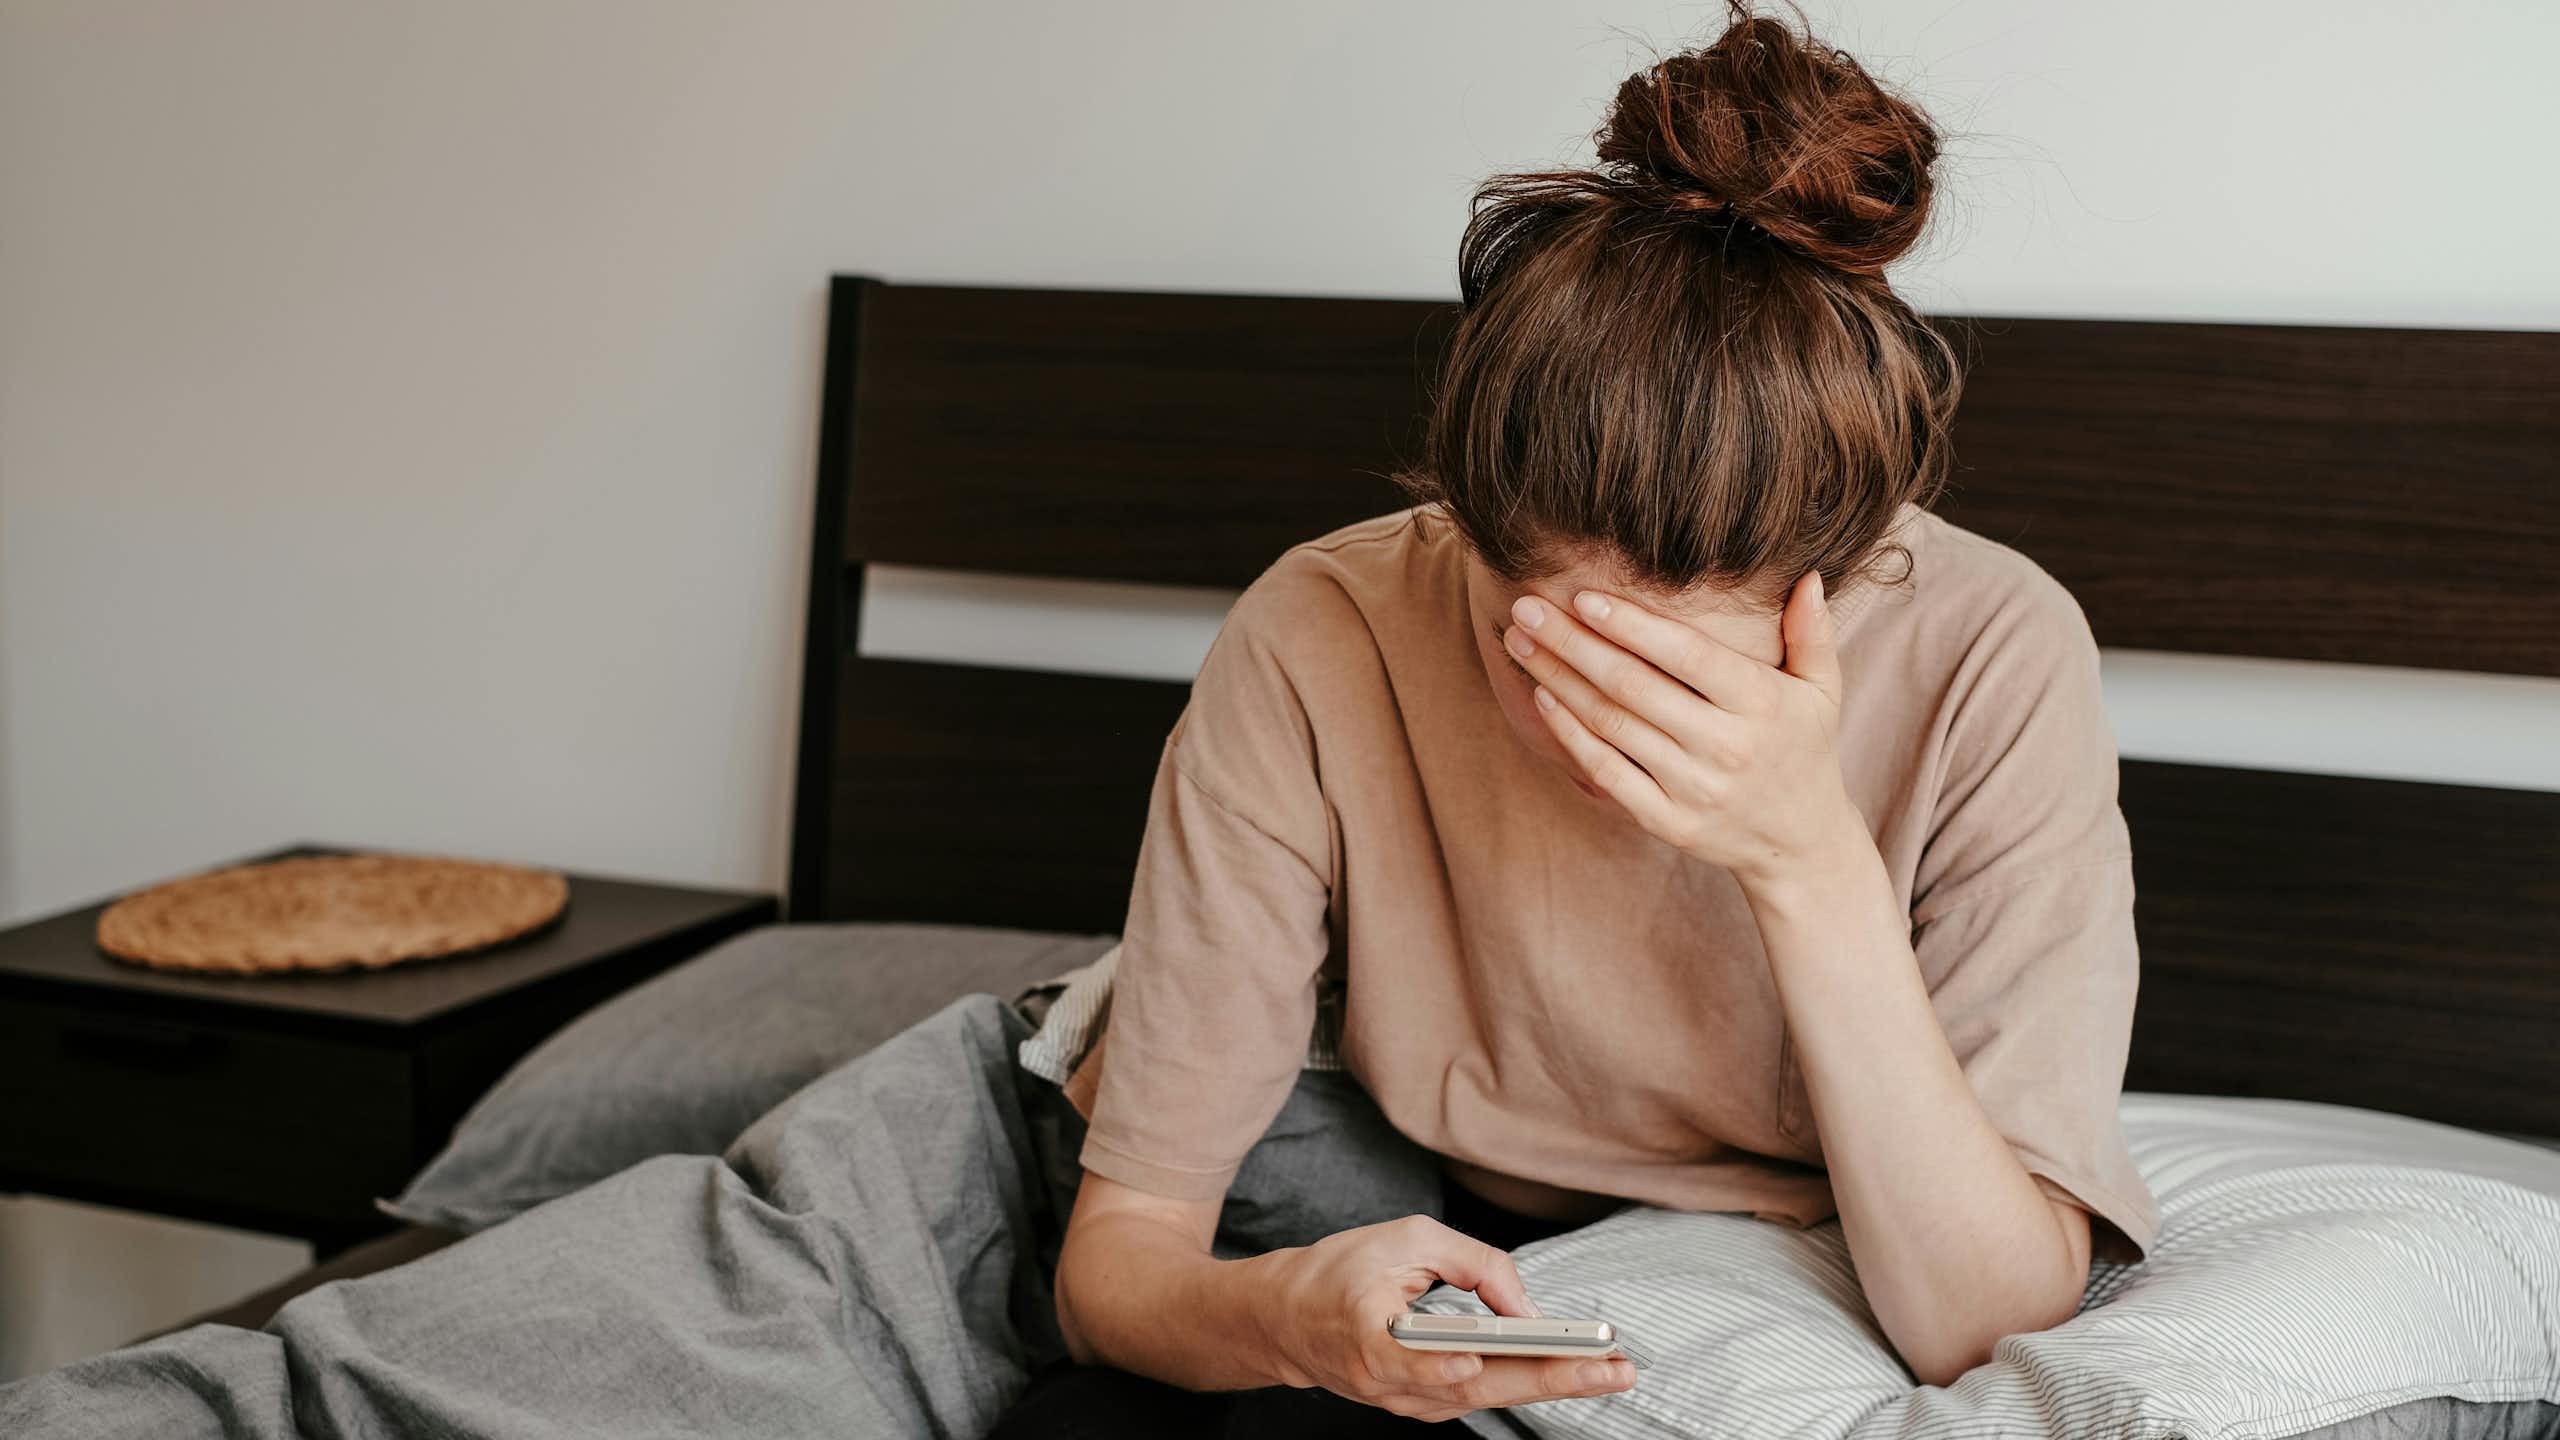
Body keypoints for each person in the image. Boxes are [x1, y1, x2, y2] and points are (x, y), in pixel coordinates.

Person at [991, 1, 2162, 1433]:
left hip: (1820, 1254)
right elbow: (1120, 1269)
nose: (1600, 747)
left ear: (1835, 588)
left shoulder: (1995, 650)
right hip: (1404, 1185)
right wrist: (1285, 1315)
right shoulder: (1327, 626)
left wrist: (1804, 859)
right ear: (1461, 540)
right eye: (1548, 656)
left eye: (1681, 684)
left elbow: (1986, 1321)